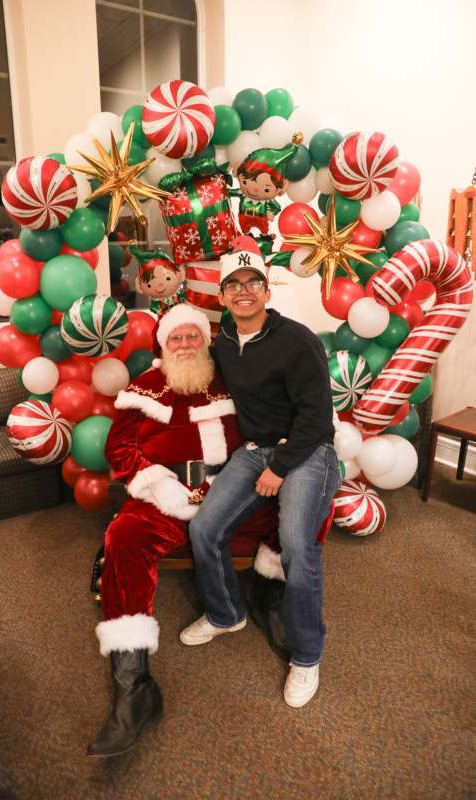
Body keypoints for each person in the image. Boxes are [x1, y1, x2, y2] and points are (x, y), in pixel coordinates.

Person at [88, 303, 277, 758]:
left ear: (205, 342)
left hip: (231, 490)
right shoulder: (145, 387)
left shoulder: (230, 382)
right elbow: (120, 447)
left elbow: (266, 429)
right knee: (123, 537)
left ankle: (273, 597)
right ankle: (134, 685)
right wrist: (158, 483)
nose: (186, 344)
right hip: (165, 494)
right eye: (177, 337)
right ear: (164, 345)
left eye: (193, 336)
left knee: (297, 508)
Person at [180, 236, 340, 708]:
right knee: (204, 528)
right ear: (223, 296)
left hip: (306, 450)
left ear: (267, 291)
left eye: (253, 283)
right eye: (234, 284)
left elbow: (317, 416)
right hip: (254, 451)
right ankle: (225, 613)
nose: (244, 291)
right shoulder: (225, 343)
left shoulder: (297, 340)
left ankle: (307, 655)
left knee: (296, 544)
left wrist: (281, 467)